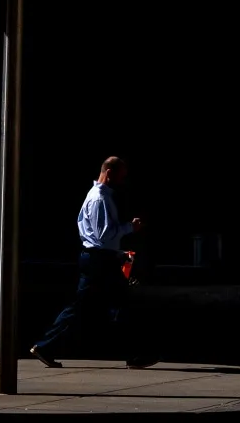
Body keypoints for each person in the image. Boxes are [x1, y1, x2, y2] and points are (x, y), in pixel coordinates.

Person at [30, 155, 155, 368]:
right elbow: (104, 236)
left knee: (87, 306)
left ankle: (46, 346)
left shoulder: (97, 196)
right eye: (120, 176)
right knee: (119, 304)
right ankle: (136, 354)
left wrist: (118, 252)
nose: (122, 181)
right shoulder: (100, 199)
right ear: (109, 173)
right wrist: (130, 228)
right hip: (100, 261)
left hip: (98, 258)